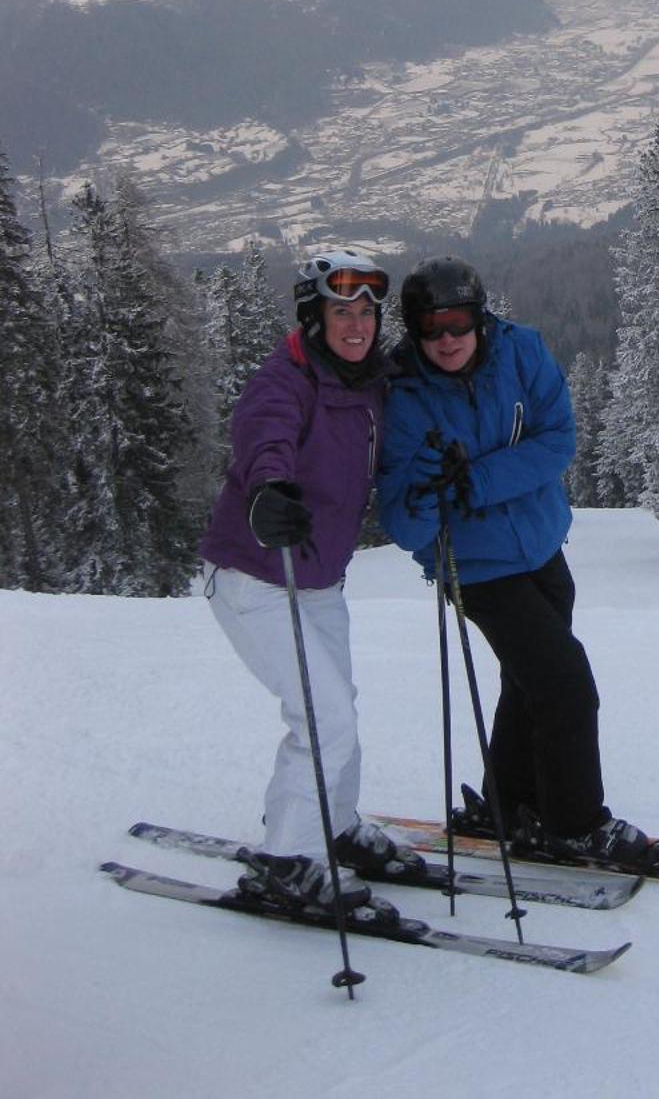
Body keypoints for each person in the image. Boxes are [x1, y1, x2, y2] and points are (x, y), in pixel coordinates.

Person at [377, 255, 659, 876]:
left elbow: (557, 439)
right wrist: (429, 488)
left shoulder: (521, 352)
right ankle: (574, 824)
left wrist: (476, 481)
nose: (447, 339)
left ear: (481, 318)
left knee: (529, 680)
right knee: (565, 683)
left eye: (458, 321)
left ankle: (507, 802)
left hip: (542, 546)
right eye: (430, 327)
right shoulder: (403, 396)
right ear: (412, 330)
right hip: (478, 568)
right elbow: (403, 524)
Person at [199, 247, 423, 908]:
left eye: (366, 313)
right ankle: (290, 860)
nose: (356, 325)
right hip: (257, 573)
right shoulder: (285, 380)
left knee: (337, 708)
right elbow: (262, 436)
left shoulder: (367, 383)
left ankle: (336, 824)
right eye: (340, 312)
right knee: (324, 717)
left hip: (320, 577)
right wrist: (269, 490)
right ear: (314, 318)